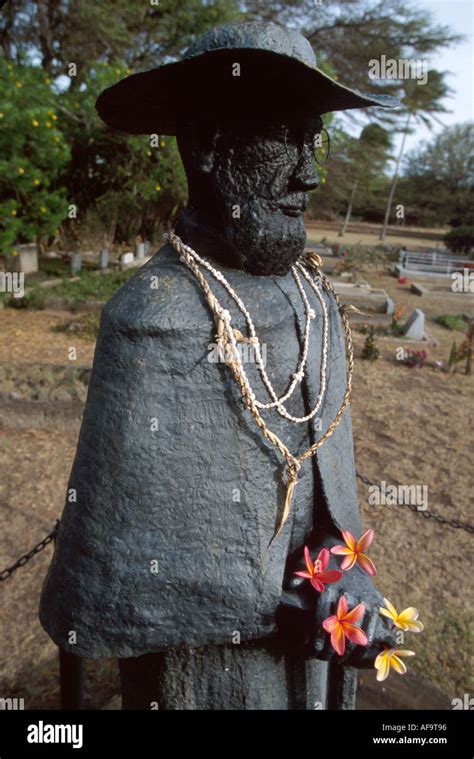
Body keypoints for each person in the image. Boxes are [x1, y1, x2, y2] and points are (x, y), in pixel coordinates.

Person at [39, 21, 398, 710]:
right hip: (206, 679)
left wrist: (345, 579)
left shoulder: (314, 298)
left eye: (311, 138)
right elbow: (109, 573)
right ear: (205, 147)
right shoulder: (154, 316)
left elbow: (330, 505)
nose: (310, 171)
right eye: (280, 137)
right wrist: (292, 606)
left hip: (322, 666)